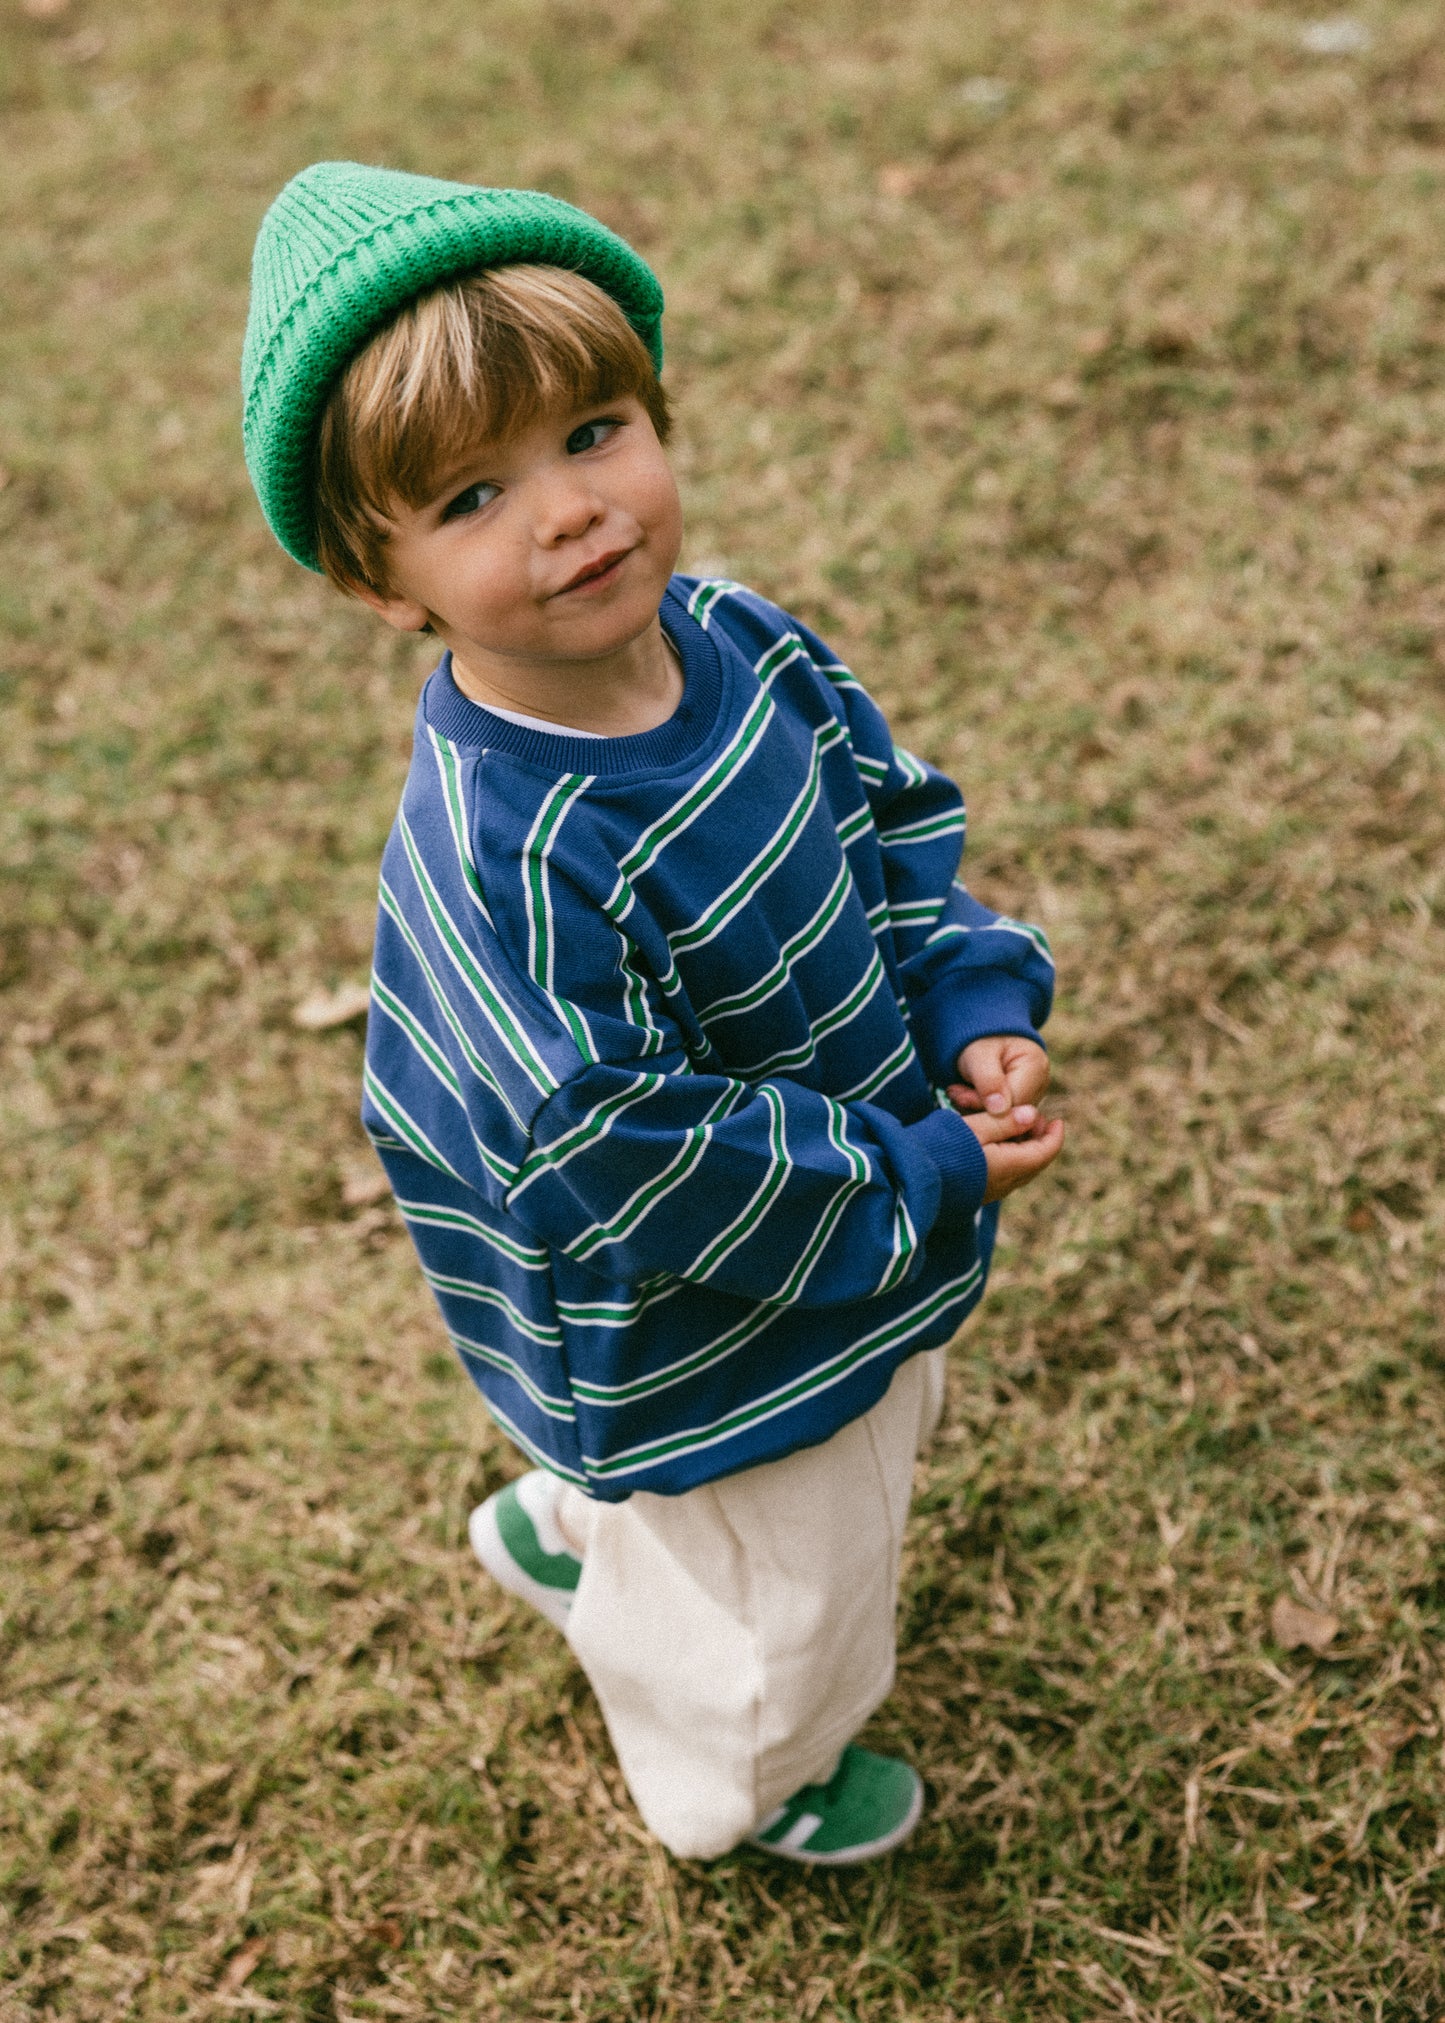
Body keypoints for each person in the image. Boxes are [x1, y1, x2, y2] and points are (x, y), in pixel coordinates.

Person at [242, 162, 1063, 1866]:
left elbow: (885, 817)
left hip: (848, 1171)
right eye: (470, 497)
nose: (568, 512)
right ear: (376, 579)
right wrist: (913, 1181)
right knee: (796, 1565)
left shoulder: (741, 642)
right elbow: (612, 1150)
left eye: (594, 430)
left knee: (806, 1460)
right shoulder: (514, 853)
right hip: (696, 1295)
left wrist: (965, 988)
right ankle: (742, 1772)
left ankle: (568, 1530)